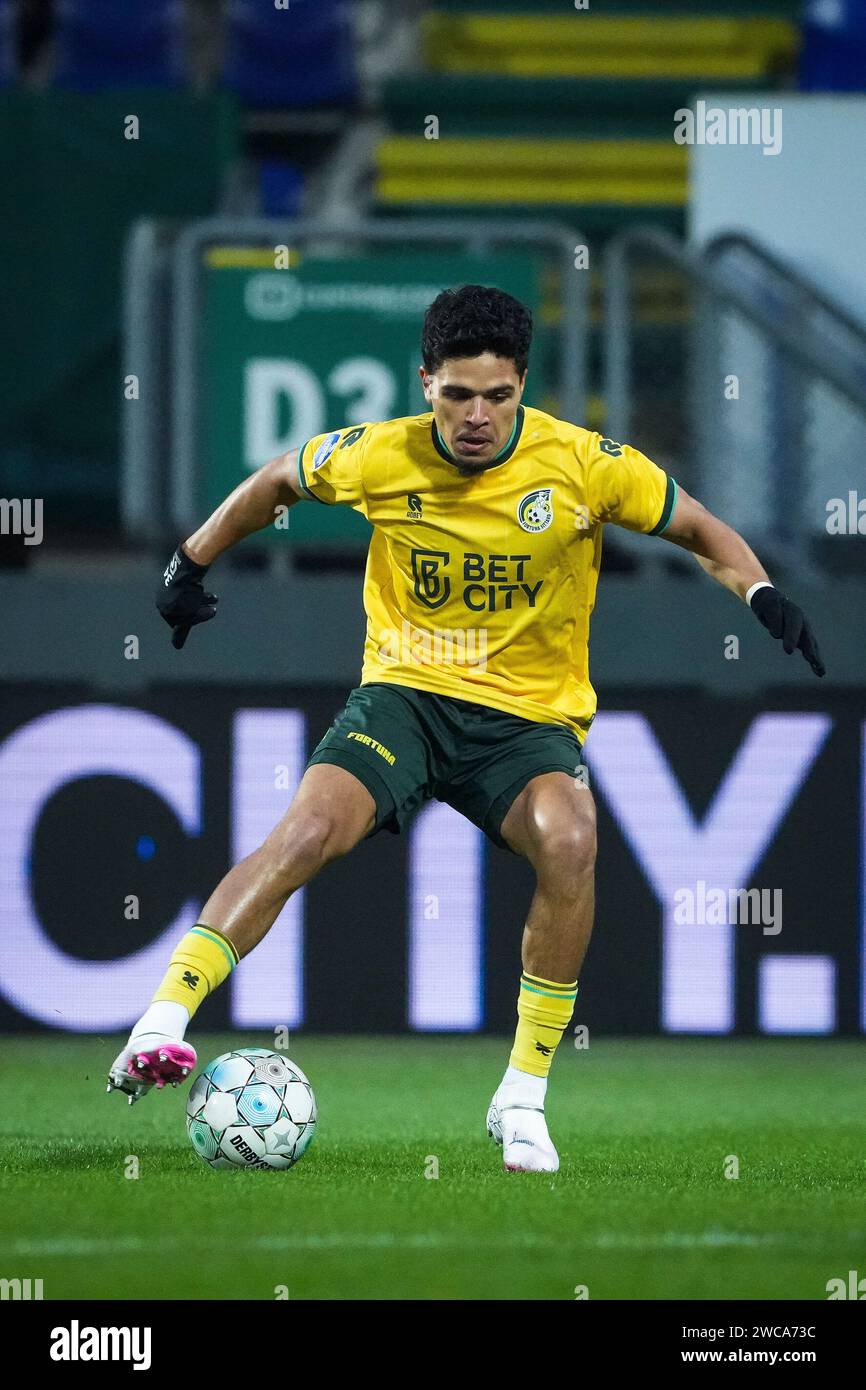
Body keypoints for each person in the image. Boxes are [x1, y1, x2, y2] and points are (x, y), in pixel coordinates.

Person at [108, 285, 823, 1172]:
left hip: (524, 723)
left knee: (571, 837)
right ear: (425, 385)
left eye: (497, 396)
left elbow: (702, 528)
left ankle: (521, 1097)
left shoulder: (587, 466)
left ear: (523, 385)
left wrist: (758, 593)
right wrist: (191, 560)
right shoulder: (379, 456)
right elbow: (278, 481)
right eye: (456, 394)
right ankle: (163, 1018)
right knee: (308, 832)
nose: (477, 416)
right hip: (405, 696)